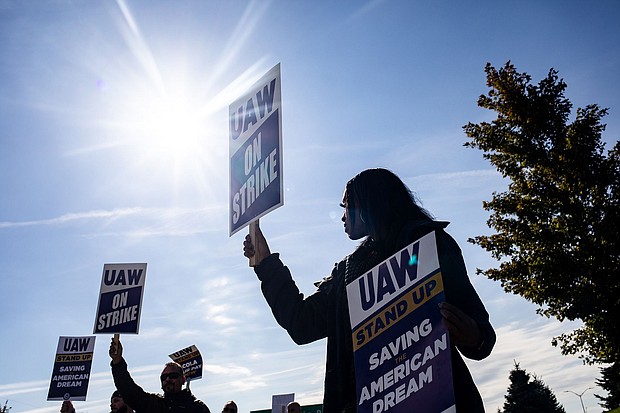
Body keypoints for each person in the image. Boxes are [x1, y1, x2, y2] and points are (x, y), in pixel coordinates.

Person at [243, 168, 496, 413]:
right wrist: (266, 264)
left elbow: (482, 334)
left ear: (370, 205)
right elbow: (301, 323)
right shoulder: (347, 273)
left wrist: (473, 335)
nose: (342, 217)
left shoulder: (430, 245)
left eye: (346, 206)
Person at [109, 338, 211, 413]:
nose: (167, 379)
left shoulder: (197, 408)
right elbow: (128, 390)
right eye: (163, 377)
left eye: (173, 376)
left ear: (183, 379)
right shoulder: (154, 404)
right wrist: (117, 361)